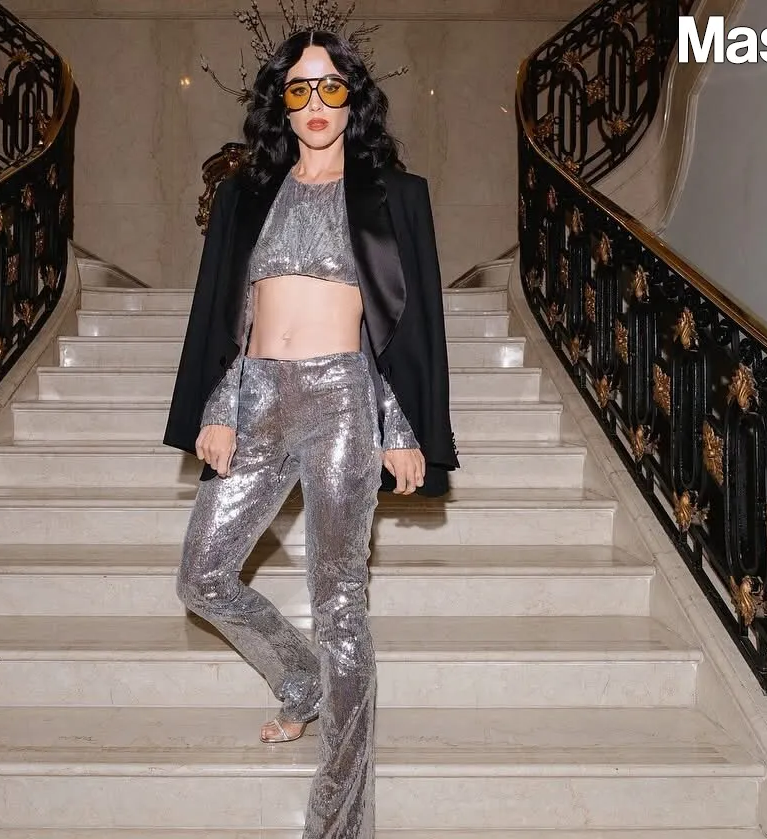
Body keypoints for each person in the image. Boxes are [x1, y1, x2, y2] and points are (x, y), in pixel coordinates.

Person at [162, 26, 457, 839]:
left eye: (331, 86)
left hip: (341, 400)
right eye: (300, 88)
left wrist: (401, 423)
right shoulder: (245, 194)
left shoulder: (394, 194)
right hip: (257, 395)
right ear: (282, 103)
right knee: (201, 575)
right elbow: (226, 311)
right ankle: (299, 680)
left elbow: (407, 326)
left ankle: (340, 821)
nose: (317, 102)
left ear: (353, 99)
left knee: (341, 606)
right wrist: (219, 405)